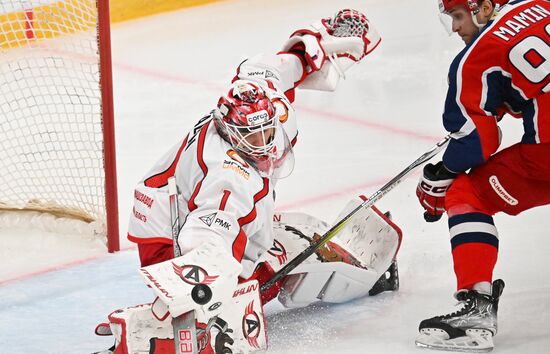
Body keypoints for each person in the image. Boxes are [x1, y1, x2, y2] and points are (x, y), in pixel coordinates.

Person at [95, 9, 403, 354]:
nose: (264, 143)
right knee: (276, 266)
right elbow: (207, 236)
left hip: (171, 205)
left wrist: (313, 49)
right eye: (251, 137)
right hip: (171, 241)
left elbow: (273, 68)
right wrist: (191, 300)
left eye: (267, 132)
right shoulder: (229, 176)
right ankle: (176, 318)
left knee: (265, 233)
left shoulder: (266, 102)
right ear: (229, 131)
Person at [415, 0, 550, 352]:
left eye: (458, 16)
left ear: (485, 7)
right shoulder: (542, 5)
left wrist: (442, 174)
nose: (456, 28)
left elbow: (477, 143)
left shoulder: (475, 56)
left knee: (467, 192)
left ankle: (477, 308)